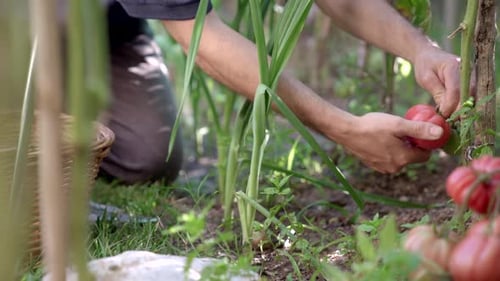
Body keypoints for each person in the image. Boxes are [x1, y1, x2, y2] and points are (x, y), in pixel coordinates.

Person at [96, 0, 460, 184]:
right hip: (45, 34)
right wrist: (346, 129)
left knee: (147, 157)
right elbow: (200, 38)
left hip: (111, 30)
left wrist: (421, 49)